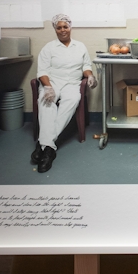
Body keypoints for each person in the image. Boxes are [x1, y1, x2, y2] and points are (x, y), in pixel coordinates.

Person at [31, 13, 97, 174]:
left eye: (65, 27)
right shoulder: (49, 48)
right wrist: (47, 87)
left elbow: (86, 66)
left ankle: (44, 144)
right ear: (55, 29)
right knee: (46, 102)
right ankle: (49, 150)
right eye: (59, 27)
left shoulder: (80, 46)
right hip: (52, 82)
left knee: (73, 99)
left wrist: (90, 76)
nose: (62, 30)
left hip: (73, 84)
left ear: (70, 27)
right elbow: (42, 71)